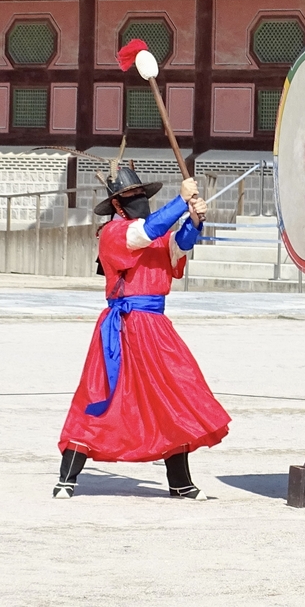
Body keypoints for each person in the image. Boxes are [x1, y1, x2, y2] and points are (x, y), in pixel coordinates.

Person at [53, 166, 231, 500]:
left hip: (156, 327)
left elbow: (178, 245)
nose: (139, 200)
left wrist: (194, 220)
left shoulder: (156, 232)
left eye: (141, 194)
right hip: (122, 327)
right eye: (132, 196)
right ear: (117, 204)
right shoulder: (114, 233)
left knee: (173, 394)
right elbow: (145, 233)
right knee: (101, 394)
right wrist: (180, 200)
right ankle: (67, 477)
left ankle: (180, 481)